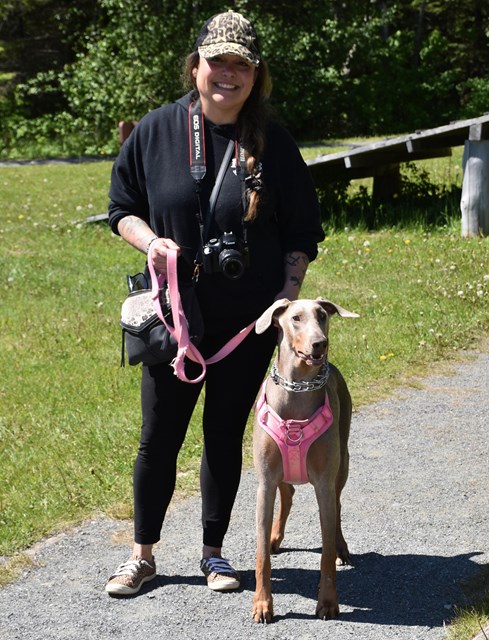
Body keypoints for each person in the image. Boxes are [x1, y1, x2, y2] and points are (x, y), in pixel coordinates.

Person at [105, 10, 324, 596]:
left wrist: (287, 294)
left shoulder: (273, 143)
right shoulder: (155, 130)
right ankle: (142, 555)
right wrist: (151, 242)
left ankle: (214, 554)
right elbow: (120, 207)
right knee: (159, 436)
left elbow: (303, 230)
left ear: (257, 75)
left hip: (244, 324)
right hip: (175, 317)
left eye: (241, 65)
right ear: (196, 65)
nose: (228, 74)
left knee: (224, 434)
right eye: (217, 62)